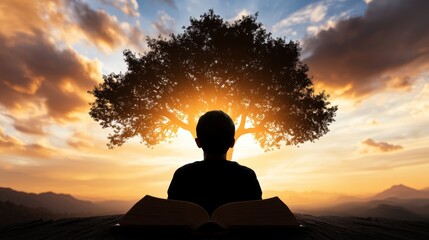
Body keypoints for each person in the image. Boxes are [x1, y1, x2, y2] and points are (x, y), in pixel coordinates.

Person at [167, 110, 262, 215]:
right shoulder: (247, 177)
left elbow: (172, 217)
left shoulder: (182, 175)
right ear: (232, 143)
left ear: (198, 142)